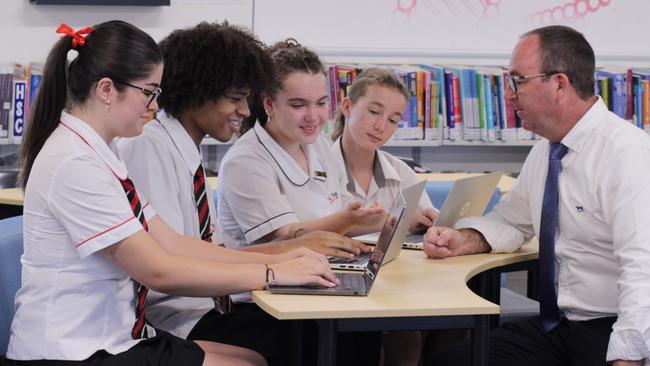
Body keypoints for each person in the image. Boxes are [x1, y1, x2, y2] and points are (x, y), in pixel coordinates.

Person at [6, 21, 336, 366]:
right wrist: (273, 274)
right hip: (73, 350)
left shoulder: (102, 152)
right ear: (106, 90)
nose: (153, 105)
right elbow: (159, 271)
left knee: (256, 355)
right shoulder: (75, 163)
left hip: (110, 336)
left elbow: (174, 243)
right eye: (148, 92)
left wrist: (280, 260)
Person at [117, 22, 361, 365]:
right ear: (197, 90)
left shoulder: (185, 150)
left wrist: (286, 259)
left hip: (205, 304)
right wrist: (280, 262)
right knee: (306, 339)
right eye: (235, 99)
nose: (245, 111)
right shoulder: (150, 147)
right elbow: (168, 265)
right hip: (174, 318)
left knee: (323, 329)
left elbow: (203, 250)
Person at [426, 25, 650, 366]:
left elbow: (643, 268)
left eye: (518, 80)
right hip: (560, 326)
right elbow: (511, 221)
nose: (508, 95)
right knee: (452, 360)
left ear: (559, 83)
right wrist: (464, 239)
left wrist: (629, 356)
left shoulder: (626, 154)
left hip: (613, 329)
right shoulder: (546, 151)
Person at [217, 39, 384, 249]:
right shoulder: (245, 161)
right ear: (269, 103)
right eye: (299, 105)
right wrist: (348, 219)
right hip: (268, 277)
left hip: (321, 269)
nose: (313, 116)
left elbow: (345, 222)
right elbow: (284, 237)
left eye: (321, 103)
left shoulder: (320, 147)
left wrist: (395, 222)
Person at [330, 67, 440, 366]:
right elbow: (317, 230)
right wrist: (391, 221)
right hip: (336, 285)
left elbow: (424, 226)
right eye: (373, 112)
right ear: (347, 106)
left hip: (393, 284)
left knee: (415, 332)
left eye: (392, 120)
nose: (381, 126)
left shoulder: (400, 171)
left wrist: (427, 221)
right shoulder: (318, 168)